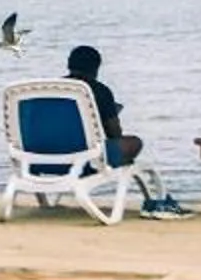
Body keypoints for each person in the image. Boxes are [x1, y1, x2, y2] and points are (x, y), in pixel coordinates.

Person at [64, 45, 184, 216]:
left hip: (42, 157)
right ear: (97, 67)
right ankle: (157, 200)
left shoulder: (51, 92)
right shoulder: (99, 91)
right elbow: (115, 134)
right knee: (133, 142)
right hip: (86, 159)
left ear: (69, 64)